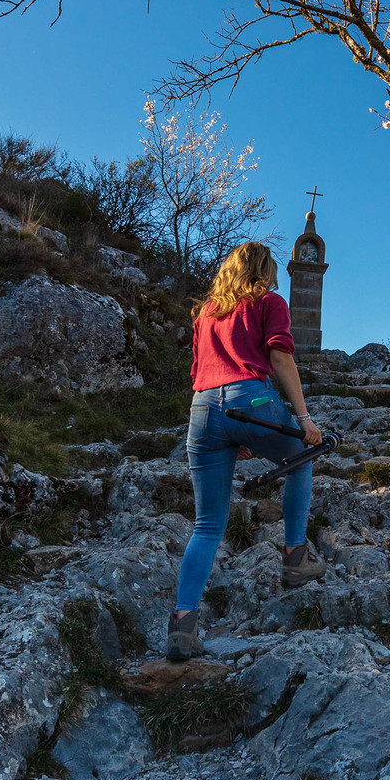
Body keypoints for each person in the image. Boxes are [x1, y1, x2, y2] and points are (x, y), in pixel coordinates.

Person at [167, 241, 326, 661]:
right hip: (250, 401)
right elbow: (280, 358)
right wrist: (304, 419)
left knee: (206, 525)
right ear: (265, 270)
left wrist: (228, 434)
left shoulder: (206, 313)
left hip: (203, 411)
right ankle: (294, 556)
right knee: (301, 458)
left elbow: (200, 373)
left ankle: (183, 625)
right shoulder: (269, 303)